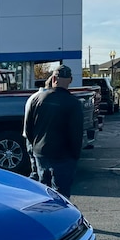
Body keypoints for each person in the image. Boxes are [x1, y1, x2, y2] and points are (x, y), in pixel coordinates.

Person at [23, 64, 85, 198]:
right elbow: (76, 134)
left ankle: (44, 216)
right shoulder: (74, 103)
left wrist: (36, 147)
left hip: (41, 153)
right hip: (64, 156)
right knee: (61, 195)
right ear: (70, 80)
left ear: (54, 79)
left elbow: (28, 129)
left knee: (43, 192)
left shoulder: (37, 99)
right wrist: (75, 155)